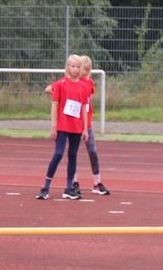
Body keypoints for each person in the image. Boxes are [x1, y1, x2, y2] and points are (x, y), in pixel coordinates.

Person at [45, 55, 110, 198]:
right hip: (70, 122)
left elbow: (86, 103)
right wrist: (62, 99)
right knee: (69, 153)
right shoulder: (67, 82)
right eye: (83, 69)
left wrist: (85, 122)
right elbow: (50, 89)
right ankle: (73, 183)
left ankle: (97, 182)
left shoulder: (88, 83)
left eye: (87, 69)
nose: (85, 72)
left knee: (91, 150)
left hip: (85, 123)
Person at [36, 54, 89, 200]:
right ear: (68, 67)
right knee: (58, 153)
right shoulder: (61, 84)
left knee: (73, 155)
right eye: (72, 66)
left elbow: (84, 108)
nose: (75, 69)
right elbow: (54, 105)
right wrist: (54, 125)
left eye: (77, 67)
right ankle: (45, 187)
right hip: (63, 125)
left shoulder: (83, 86)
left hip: (76, 127)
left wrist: (85, 128)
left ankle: (69, 188)